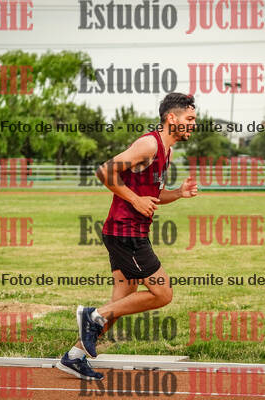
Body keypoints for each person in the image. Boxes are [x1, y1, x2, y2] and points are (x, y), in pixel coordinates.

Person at [57, 93, 198, 380]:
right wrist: (134, 200)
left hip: (127, 232)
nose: (194, 124)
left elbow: (154, 195)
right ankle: (92, 315)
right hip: (126, 233)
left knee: (121, 303)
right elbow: (104, 171)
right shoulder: (149, 144)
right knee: (162, 294)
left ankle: (74, 356)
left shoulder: (166, 151)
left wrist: (178, 194)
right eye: (190, 118)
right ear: (171, 118)